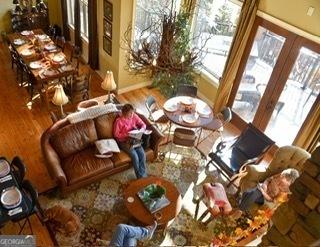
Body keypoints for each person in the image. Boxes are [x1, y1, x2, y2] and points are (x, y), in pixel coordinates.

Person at [113, 104, 147, 178]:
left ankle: (143, 175)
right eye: (130, 113)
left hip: (134, 139)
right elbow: (116, 134)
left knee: (142, 154)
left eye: (133, 112)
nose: (132, 114)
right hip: (123, 142)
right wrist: (127, 134)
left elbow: (143, 124)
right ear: (125, 113)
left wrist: (141, 130)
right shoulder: (119, 121)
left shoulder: (134, 116)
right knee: (135, 156)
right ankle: (140, 177)